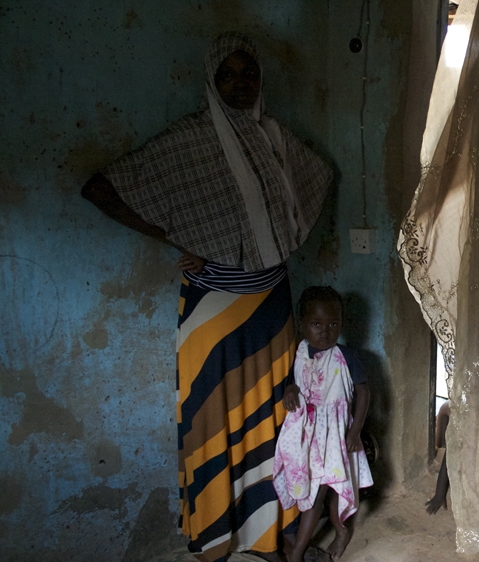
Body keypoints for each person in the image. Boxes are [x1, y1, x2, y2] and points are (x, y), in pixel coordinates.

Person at [81, 33, 333, 562]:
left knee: (271, 423)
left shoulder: (274, 139)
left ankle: (268, 534)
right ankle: (217, 535)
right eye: (228, 75)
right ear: (211, 82)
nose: (241, 84)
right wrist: (178, 237)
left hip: (271, 305)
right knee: (212, 422)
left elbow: (319, 177)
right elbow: (101, 189)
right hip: (213, 310)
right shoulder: (190, 140)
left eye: (249, 74)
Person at [273, 286, 373, 562]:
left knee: (323, 492)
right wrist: (291, 389)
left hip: (336, 437)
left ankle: (303, 551)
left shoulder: (346, 356)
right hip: (307, 436)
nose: (325, 332)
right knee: (319, 489)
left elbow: (364, 392)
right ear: (302, 323)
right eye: (316, 324)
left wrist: (355, 431)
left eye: (333, 324)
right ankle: (338, 531)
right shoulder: (299, 352)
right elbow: (294, 381)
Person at [425, 400, 450, 515]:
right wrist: (440, 494)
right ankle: (440, 443)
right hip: (446, 411)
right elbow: (448, 458)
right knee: (441, 445)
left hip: (447, 410)